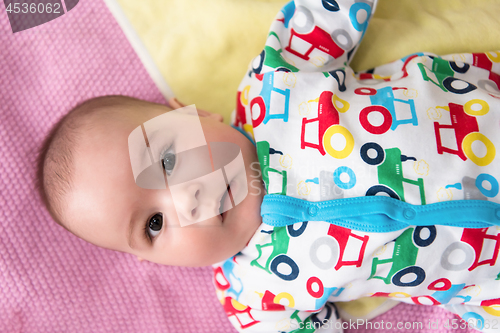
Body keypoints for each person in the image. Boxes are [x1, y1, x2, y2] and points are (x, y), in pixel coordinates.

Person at [39, 0, 500, 332]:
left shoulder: (276, 84)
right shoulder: (255, 298)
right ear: (154, 261)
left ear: (194, 114)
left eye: (167, 159)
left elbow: (324, 14)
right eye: (154, 224)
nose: (185, 199)